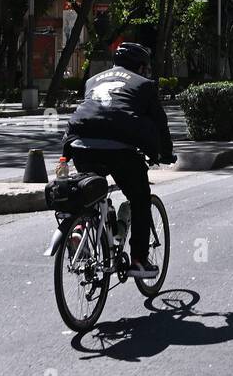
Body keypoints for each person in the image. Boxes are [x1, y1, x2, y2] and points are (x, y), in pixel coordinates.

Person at [64, 42, 175, 279]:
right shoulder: (144, 84)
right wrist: (165, 153)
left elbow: (93, 112)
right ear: (142, 67)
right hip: (119, 149)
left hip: (80, 144)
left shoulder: (92, 81)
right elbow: (160, 123)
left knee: (90, 192)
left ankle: (81, 229)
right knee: (140, 198)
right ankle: (139, 261)